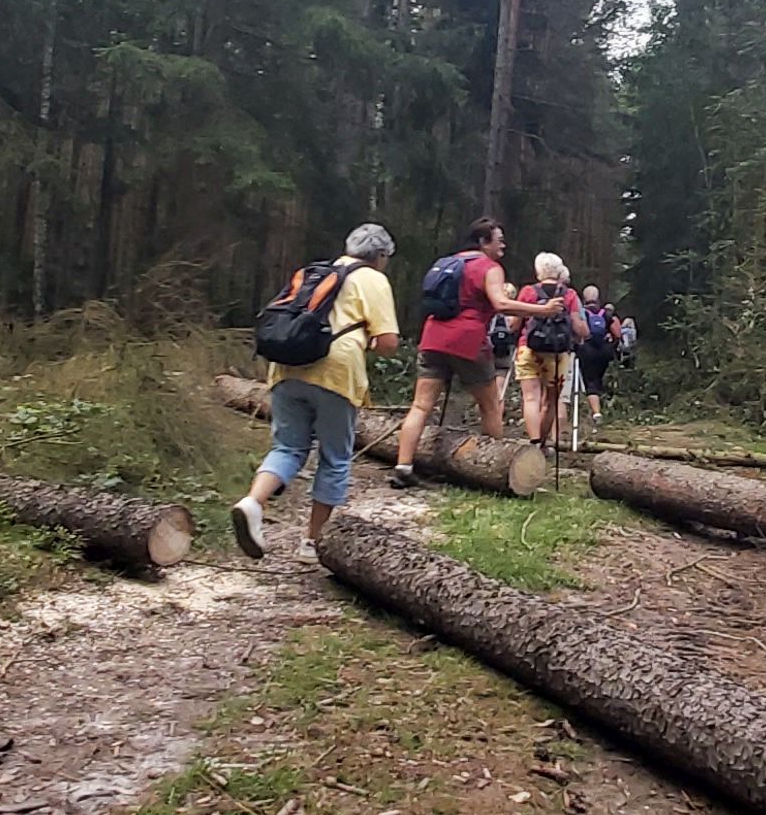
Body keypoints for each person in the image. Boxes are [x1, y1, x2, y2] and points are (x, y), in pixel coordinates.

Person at [233, 223, 400, 565]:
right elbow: (388, 343)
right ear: (381, 256)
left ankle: (252, 502)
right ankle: (312, 542)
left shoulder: (316, 272)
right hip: (335, 372)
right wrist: (365, 340)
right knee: (335, 457)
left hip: (285, 367)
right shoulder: (372, 279)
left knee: (288, 447)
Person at [392, 216, 567, 489]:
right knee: (490, 405)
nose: (503, 246)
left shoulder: (450, 262)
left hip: (432, 337)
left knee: (421, 405)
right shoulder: (489, 267)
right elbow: (500, 303)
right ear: (484, 242)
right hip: (468, 341)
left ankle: (403, 466)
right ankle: (493, 467)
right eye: (499, 240)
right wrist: (543, 310)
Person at [515, 252, 587, 445]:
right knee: (551, 400)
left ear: (538, 271)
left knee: (530, 398)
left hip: (528, 348)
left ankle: (534, 441)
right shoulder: (569, 294)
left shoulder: (528, 292)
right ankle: (543, 443)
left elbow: (515, 324)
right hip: (558, 352)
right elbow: (578, 327)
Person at [574, 282, 618, 425]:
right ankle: (603, 404)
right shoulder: (606, 313)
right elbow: (617, 332)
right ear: (598, 297)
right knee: (599, 378)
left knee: (590, 381)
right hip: (604, 350)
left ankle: (596, 413)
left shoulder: (581, 313)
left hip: (587, 349)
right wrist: (612, 344)